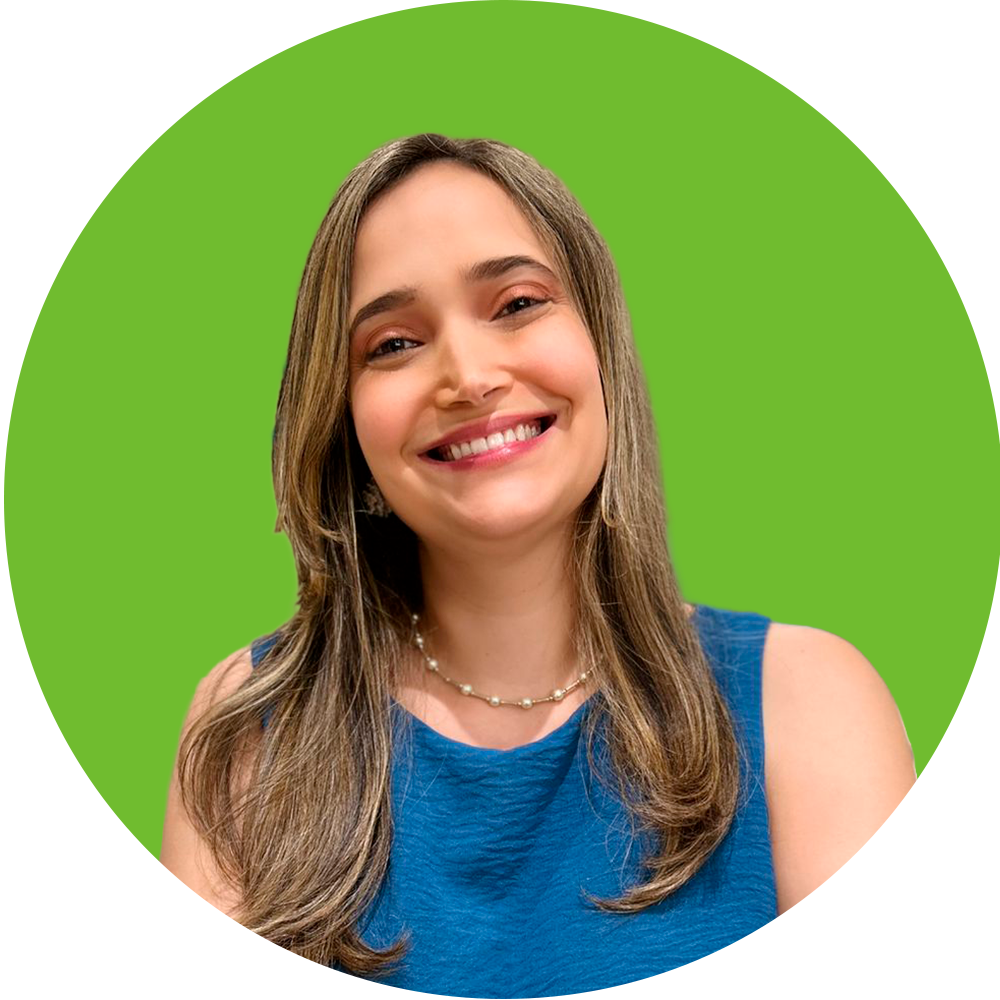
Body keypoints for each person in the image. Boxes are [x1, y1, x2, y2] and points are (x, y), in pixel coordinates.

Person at [140, 133, 970, 999]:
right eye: (391, 344)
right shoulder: (255, 727)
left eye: (517, 303)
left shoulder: (804, 702)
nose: (468, 376)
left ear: (601, 342)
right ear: (344, 423)